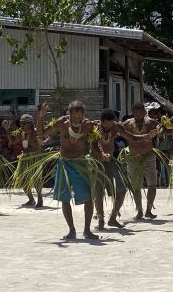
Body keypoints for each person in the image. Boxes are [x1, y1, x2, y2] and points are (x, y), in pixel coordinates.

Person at [37, 101, 98, 240]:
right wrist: (40, 117)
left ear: (83, 115)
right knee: (65, 198)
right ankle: (71, 230)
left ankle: (87, 230)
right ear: (68, 114)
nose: (76, 120)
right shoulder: (61, 123)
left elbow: (97, 140)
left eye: (79, 117)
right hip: (64, 163)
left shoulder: (88, 125)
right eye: (73, 117)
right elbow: (41, 134)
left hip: (80, 163)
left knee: (88, 197)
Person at [91, 108, 157, 230]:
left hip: (111, 161)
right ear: (101, 121)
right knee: (98, 192)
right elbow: (94, 144)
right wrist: (101, 154)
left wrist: (148, 135)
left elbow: (131, 137)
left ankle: (113, 218)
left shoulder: (116, 127)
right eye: (107, 125)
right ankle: (100, 219)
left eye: (111, 124)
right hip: (97, 163)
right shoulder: (94, 127)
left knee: (122, 189)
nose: (109, 127)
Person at [122, 102, 160, 219]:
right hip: (133, 157)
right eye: (136, 112)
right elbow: (115, 130)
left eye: (141, 112)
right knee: (135, 186)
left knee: (152, 184)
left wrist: (158, 131)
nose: (138, 114)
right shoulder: (127, 124)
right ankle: (139, 210)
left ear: (144, 112)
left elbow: (164, 129)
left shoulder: (152, 123)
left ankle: (149, 210)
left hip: (148, 155)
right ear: (132, 113)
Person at [11, 113, 44, 208]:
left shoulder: (36, 133)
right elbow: (12, 143)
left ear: (30, 123)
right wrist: (7, 129)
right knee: (22, 179)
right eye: (21, 123)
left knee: (36, 179)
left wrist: (31, 149)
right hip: (24, 158)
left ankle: (40, 199)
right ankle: (31, 199)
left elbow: (39, 147)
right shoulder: (21, 133)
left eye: (24, 123)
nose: (22, 125)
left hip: (34, 158)